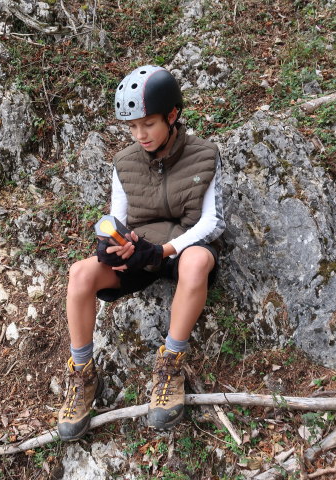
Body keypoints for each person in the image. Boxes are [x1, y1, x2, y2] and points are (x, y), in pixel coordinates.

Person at [57, 65, 225, 441]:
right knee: (80, 273)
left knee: (198, 260)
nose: (139, 135)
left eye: (147, 124)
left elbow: (212, 223)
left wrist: (164, 249)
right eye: (132, 127)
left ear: (172, 115)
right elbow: (116, 216)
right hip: (140, 248)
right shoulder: (124, 163)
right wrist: (111, 243)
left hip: (182, 246)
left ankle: (169, 366)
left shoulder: (205, 156)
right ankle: (83, 375)